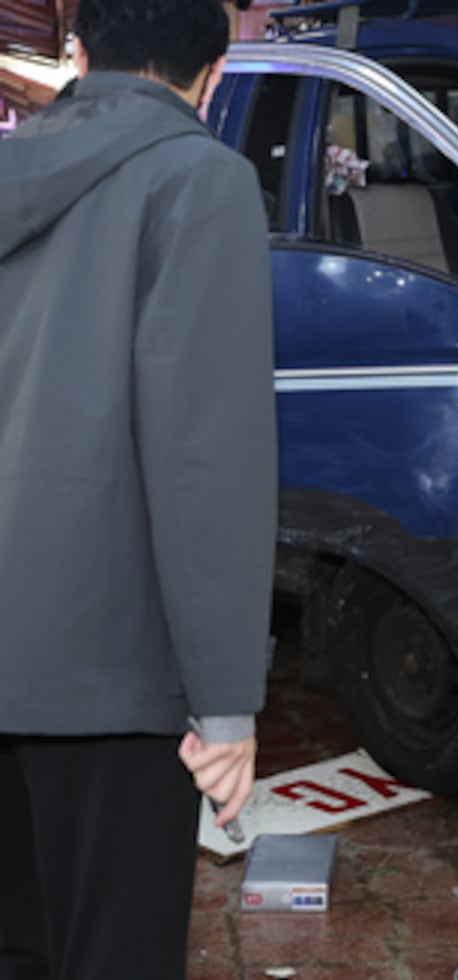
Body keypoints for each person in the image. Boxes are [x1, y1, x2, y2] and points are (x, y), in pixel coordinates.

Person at [0, 1, 277, 977]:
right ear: (213, 71)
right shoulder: (199, 178)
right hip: (106, 669)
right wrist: (227, 701)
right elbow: (205, 455)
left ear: (82, 54)